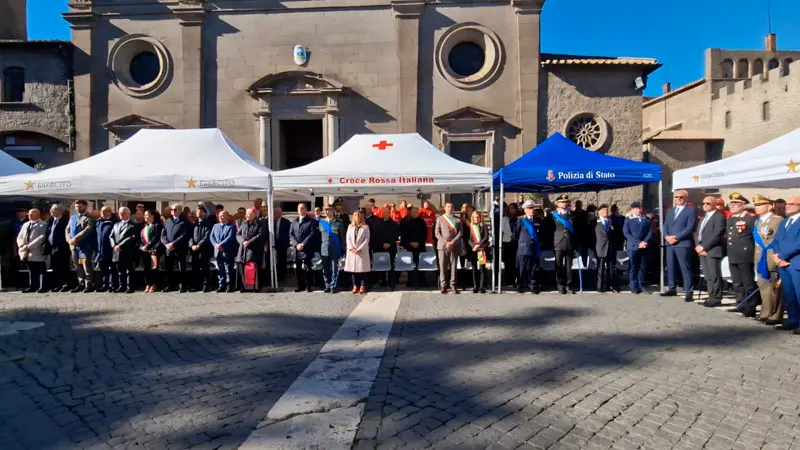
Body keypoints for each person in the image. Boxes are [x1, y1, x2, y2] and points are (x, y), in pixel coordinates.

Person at [751, 195, 783, 325]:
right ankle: (765, 312)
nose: (757, 207)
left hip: (771, 257)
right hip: (760, 258)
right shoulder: (757, 221)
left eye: (760, 205)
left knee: (775, 288)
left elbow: (780, 240)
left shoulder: (778, 220)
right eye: (756, 205)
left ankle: (775, 315)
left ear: (769, 206)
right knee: (763, 287)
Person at [662, 189, 698, 301]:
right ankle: (671, 288)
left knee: (685, 267)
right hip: (670, 243)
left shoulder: (691, 210)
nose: (678, 199)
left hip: (682, 243)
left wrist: (677, 237)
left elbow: (690, 227)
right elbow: (665, 225)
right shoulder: (671, 211)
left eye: (681, 197)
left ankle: (688, 290)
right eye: (676, 197)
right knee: (670, 266)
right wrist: (666, 236)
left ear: (686, 198)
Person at [725, 193, 758, 317]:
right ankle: (740, 303)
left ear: (743, 205)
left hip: (744, 254)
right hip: (733, 253)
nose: (732, 206)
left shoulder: (749, 219)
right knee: (737, 282)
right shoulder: (731, 218)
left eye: (736, 204)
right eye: (731, 204)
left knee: (747, 282)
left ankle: (751, 305)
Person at [772, 196, 800, 332]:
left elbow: (798, 244)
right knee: (789, 294)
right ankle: (792, 320)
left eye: (791, 204)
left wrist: (783, 256)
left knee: (798, 294)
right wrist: (777, 257)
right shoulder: (785, 221)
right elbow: (776, 240)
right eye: (787, 204)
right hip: (782, 263)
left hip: (795, 263)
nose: (787, 206)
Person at [696, 196, 727, 307]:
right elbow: (698, 233)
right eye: (703, 203)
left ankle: (716, 297)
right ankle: (711, 295)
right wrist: (698, 246)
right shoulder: (705, 217)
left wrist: (704, 247)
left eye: (708, 203)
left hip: (713, 250)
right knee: (708, 276)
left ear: (714, 205)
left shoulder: (719, 216)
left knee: (714, 275)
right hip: (702, 249)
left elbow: (717, 234)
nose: (705, 205)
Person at [67, 200, 96, 293]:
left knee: (86, 265)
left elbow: (87, 230)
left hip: (84, 246)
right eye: (76, 207)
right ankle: (81, 284)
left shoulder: (89, 217)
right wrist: (69, 239)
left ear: (85, 206)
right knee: (77, 266)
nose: (77, 208)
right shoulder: (73, 217)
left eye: (80, 206)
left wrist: (75, 239)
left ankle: (89, 285)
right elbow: (67, 229)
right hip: (73, 246)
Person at [623, 202, 652, 295]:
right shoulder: (628, 220)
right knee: (634, 266)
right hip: (633, 246)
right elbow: (626, 233)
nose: (638, 210)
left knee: (643, 267)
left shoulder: (646, 219)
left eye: (639, 208)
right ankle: (633, 286)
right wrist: (638, 243)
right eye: (636, 209)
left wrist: (645, 242)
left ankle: (642, 285)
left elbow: (650, 232)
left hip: (644, 246)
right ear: (632, 210)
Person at [161, 204, 190, 292]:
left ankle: (182, 286)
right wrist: (166, 243)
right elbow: (164, 234)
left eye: (175, 209)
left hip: (180, 248)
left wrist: (173, 243)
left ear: (180, 211)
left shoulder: (185, 221)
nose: (173, 211)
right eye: (172, 209)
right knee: (169, 268)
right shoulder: (168, 221)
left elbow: (185, 235)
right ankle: (170, 285)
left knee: (182, 268)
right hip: (169, 249)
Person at [290, 203, 319, 292]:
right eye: (299, 208)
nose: (300, 210)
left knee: (307, 267)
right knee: (298, 268)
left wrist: (303, 244)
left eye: (302, 208)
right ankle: (300, 286)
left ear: (306, 209)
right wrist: (296, 244)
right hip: (297, 249)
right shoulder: (294, 221)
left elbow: (312, 233)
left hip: (307, 248)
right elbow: (291, 234)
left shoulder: (311, 221)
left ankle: (308, 286)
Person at [17, 209, 47, 293]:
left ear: (38, 215)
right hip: (25, 251)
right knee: (31, 269)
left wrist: (29, 246)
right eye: (29, 214)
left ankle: (42, 287)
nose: (30, 216)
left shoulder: (42, 225)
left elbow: (41, 237)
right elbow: (20, 236)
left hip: (36, 250)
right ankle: (33, 286)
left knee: (40, 269)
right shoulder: (26, 224)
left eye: (32, 214)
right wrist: (21, 245)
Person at [551, 194, 576, 294]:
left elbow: (576, 231)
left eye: (566, 202)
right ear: (558, 204)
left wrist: (577, 244)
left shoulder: (572, 215)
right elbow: (549, 230)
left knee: (569, 266)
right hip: (558, 243)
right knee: (559, 265)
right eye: (562, 202)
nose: (564, 204)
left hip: (570, 243)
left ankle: (569, 284)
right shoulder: (553, 216)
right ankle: (560, 285)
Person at [236, 208, 266, 292]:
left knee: (252, 267)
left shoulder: (260, 223)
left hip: (253, 249)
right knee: (242, 267)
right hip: (243, 249)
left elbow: (260, 235)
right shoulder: (244, 223)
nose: (247, 215)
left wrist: (249, 242)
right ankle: (244, 287)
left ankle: (253, 287)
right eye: (247, 214)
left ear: (254, 214)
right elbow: (238, 234)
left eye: (249, 214)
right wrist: (243, 241)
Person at [515, 200, 541, 294]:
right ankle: (520, 285)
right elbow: (516, 233)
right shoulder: (521, 220)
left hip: (534, 247)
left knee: (534, 268)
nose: (532, 210)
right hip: (524, 247)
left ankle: (532, 285)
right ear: (525, 210)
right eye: (529, 208)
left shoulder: (537, 220)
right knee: (522, 267)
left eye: (532, 208)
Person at [435, 202, 461, 294]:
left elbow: (460, 233)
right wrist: (445, 242)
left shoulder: (458, 220)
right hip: (442, 246)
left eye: (451, 207)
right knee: (442, 266)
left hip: (454, 246)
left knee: (453, 267)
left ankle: (453, 285)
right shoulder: (440, 219)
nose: (450, 208)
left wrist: (452, 242)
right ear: (445, 208)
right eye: (448, 207)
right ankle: (443, 285)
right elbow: (437, 233)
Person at [110, 207, 137, 294]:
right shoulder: (116, 224)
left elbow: (131, 237)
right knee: (120, 270)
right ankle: (122, 286)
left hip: (127, 251)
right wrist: (114, 245)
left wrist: (120, 245)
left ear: (128, 214)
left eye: (123, 213)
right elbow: (111, 236)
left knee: (129, 270)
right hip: (116, 251)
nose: (121, 214)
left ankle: (130, 287)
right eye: (120, 213)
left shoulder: (133, 225)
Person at [399, 206, 428, 288]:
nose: (414, 213)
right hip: (410, 247)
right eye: (413, 212)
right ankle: (411, 281)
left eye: (416, 212)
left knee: (421, 264)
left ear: (418, 213)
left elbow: (425, 234)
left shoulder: (422, 222)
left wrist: (419, 243)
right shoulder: (406, 223)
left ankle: (421, 281)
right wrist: (410, 243)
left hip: (420, 246)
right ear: (411, 213)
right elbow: (403, 235)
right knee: (410, 265)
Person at [319, 205, 345, 293]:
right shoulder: (322, 222)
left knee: (335, 268)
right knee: (325, 269)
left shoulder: (339, 222)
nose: (327, 212)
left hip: (335, 247)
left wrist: (343, 248)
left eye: (329, 210)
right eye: (325, 210)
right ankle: (327, 285)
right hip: (324, 248)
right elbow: (319, 236)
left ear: (333, 211)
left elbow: (342, 236)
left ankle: (333, 286)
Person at [45, 204, 70, 292]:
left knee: (63, 267)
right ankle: (58, 284)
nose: (51, 211)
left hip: (62, 248)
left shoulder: (66, 221)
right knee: (55, 267)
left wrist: (62, 244)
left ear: (60, 211)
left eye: (54, 209)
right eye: (51, 209)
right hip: (52, 248)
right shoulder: (50, 221)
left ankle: (66, 284)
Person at [594, 204, 619, 293]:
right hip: (600, 247)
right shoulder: (595, 222)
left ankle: (610, 285)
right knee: (600, 268)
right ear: (599, 212)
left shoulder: (610, 221)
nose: (606, 212)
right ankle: (599, 286)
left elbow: (615, 234)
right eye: (604, 210)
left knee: (611, 268)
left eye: (607, 211)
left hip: (610, 248)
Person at [373, 206, 400, 290]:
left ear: (389, 213)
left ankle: (391, 283)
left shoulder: (394, 224)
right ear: (382, 213)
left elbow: (396, 235)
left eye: (387, 212)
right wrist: (383, 243)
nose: (386, 214)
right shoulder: (378, 224)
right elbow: (376, 235)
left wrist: (390, 243)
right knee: (382, 264)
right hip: (381, 247)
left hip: (391, 247)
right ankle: (383, 281)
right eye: (384, 212)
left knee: (391, 265)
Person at [189, 206, 214, 292]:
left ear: (205, 213)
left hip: (204, 249)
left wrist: (199, 245)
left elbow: (207, 237)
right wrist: (192, 245)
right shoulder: (194, 224)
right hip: (194, 250)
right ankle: (196, 286)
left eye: (201, 212)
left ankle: (206, 285)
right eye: (197, 212)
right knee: (195, 268)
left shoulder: (209, 224)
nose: (199, 214)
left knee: (205, 268)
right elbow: (190, 236)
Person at [211, 210, 237, 293]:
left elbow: (230, 237)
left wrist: (221, 245)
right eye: (220, 216)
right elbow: (211, 237)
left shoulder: (231, 227)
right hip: (218, 251)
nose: (221, 217)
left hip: (227, 251)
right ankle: (221, 285)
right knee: (220, 269)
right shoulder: (215, 226)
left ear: (228, 217)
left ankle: (229, 285)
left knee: (228, 269)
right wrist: (216, 245)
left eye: (223, 215)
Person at [345, 210, 371, 294]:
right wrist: (351, 248)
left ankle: (362, 286)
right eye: (356, 215)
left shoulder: (365, 227)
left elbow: (366, 239)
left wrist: (359, 248)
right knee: (353, 270)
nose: (357, 217)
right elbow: (348, 238)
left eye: (359, 215)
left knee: (362, 270)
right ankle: (355, 285)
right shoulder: (350, 227)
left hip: (361, 251)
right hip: (352, 252)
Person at [94, 206, 118, 293]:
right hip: (100, 250)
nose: (102, 212)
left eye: (105, 211)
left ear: (110, 212)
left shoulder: (114, 222)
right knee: (103, 268)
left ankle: (113, 285)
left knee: (113, 268)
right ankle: (105, 285)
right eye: (101, 211)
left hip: (111, 249)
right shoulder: (98, 222)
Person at [139, 210, 163, 293]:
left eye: (147, 215)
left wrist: (148, 246)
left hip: (154, 251)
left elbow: (156, 238)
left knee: (154, 268)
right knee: (146, 268)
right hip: (145, 251)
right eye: (144, 215)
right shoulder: (144, 226)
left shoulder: (157, 226)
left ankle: (154, 284)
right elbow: (141, 239)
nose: (144, 217)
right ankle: (147, 284)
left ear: (152, 216)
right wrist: (142, 247)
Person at [273, 208, 291, 283]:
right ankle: (273, 275)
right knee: (273, 260)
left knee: (282, 260)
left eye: (277, 212)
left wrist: (287, 244)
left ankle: (281, 276)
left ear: (281, 213)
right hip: (273, 242)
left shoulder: (286, 222)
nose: (275, 214)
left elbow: (289, 233)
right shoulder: (271, 221)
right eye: (274, 212)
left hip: (282, 244)